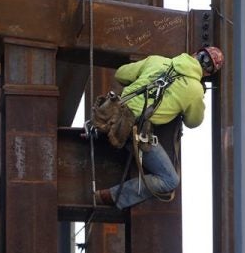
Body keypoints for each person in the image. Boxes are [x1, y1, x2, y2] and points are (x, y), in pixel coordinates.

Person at [95, 46, 225, 209]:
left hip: (113, 115)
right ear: (207, 73)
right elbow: (193, 122)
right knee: (170, 180)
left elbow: (121, 73)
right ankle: (111, 196)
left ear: (194, 54)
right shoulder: (195, 90)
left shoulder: (157, 60)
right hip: (133, 129)